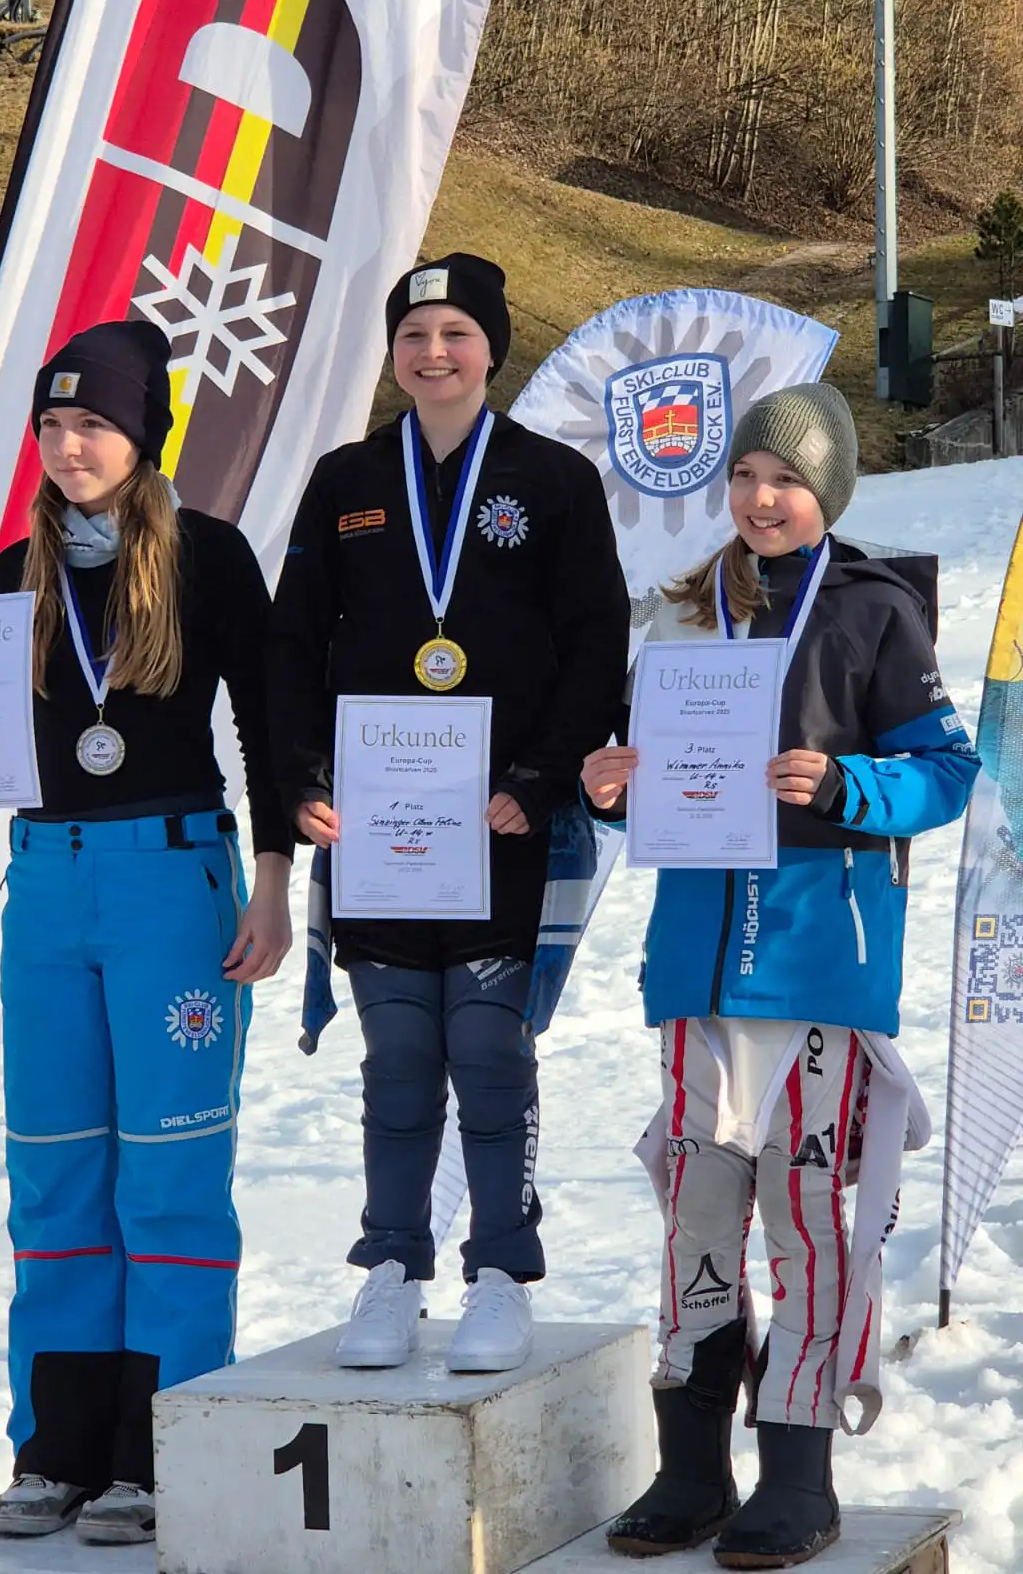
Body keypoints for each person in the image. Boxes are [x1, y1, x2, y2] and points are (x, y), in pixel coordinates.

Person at [0, 321, 293, 1545]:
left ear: (142, 432)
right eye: (52, 428)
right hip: (46, 888)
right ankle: (55, 1448)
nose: (67, 447)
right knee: (56, 1175)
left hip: (172, 880)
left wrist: (273, 880)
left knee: (166, 1176)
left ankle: (157, 1449)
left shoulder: (209, 558)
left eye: (91, 425)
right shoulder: (18, 570)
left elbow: (267, 729)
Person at [581, 383, 978, 1567]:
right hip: (697, 975)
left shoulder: (875, 610)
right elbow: (658, 782)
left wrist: (850, 786)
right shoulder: (686, 611)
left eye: (788, 479)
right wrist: (615, 785)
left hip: (817, 968)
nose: (762, 497)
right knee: (696, 1218)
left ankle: (798, 1471)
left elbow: (946, 774)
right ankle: (691, 1467)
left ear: (828, 493)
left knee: (810, 1226)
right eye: (748, 475)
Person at [266, 252, 631, 1375]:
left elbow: (595, 645)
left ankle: (501, 1272)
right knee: (398, 1059)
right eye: (415, 337)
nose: (434, 354)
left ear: (492, 348)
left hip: (500, 825)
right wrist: (302, 779)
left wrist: (535, 776)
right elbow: (290, 646)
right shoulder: (343, 483)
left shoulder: (554, 481)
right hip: (379, 830)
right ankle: (388, 1269)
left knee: (488, 1051)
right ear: (394, 354)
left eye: (456, 335)